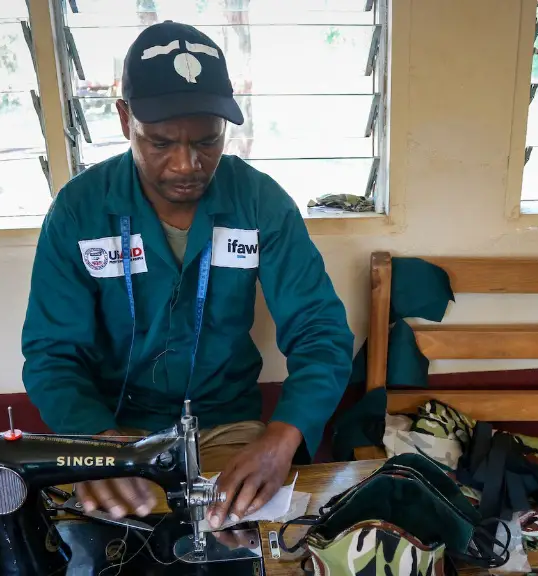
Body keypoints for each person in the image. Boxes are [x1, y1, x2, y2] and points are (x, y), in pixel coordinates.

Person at [21, 20, 353, 531]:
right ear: (124, 117)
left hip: (229, 428)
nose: (186, 165)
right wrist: (95, 441)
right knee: (106, 553)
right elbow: (51, 354)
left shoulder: (260, 203)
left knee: (245, 548)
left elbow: (321, 333)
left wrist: (281, 438)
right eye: (159, 143)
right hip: (115, 434)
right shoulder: (79, 212)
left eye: (207, 141)